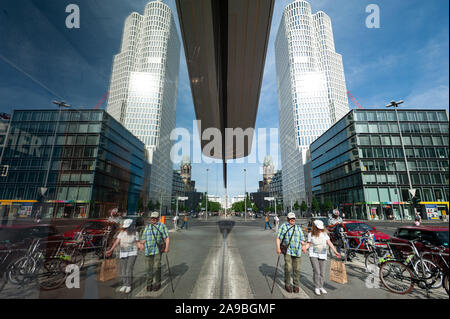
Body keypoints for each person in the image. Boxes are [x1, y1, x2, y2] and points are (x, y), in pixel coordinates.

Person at [305, 220, 341, 296]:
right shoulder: (310, 234)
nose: (320, 229)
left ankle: (321, 286)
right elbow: (308, 244)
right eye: (318, 228)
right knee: (317, 271)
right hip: (313, 254)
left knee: (322, 272)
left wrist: (335, 251)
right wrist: (304, 248)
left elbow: (329, 243)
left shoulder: (324, 234)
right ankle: (317, 287)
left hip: (322, 254)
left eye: (321, 228)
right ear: (315, 227)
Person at [106, 219, 140, 294]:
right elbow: (116, 242)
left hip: (132, 253)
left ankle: (128, 285)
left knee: (128, 270)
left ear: (131, 226)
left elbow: (138, 242)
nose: (126, 229)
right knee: (123, 270)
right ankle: (124, 284)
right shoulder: (121, 233)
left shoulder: (135, 233)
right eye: (125, 227)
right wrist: (111, 250)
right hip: (123, 253)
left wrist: (141, 246)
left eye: (128, 227)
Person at [276, 212, 307, 293]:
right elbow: (278, 238)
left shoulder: (298, 228)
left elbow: (302, 239)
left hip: (297, 251)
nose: (293, 220)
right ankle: (287, 284)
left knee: (297, 269)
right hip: (288, 251)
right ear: (287, 219)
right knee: (288, 268)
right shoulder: (283, 226)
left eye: (294, 218)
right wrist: (278, 248)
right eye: (291, 219)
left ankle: (296, 285)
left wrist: (303, 246)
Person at [140, 211, 170, 292]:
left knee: (157, 267)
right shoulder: (147, 227)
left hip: (157, 250)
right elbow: (143, 238)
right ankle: (149, 284)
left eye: (155, 218)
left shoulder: (162, 226)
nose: (153, 219)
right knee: (148, 268)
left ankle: (157, 283)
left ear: (158, 218)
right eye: (152, 218)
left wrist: (167, 247)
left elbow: (166, 238)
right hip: (148, 250)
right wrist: (141, 244)